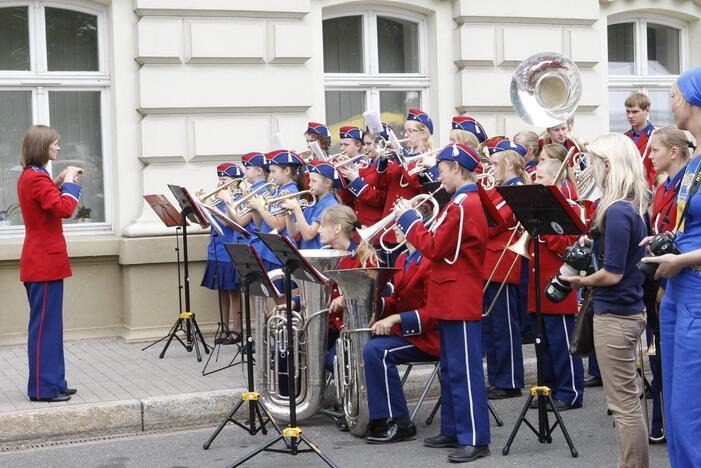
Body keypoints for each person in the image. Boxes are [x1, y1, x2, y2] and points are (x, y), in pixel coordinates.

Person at [394, 143, 490, 463]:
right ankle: (453, 428)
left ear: (455, 168)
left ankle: (474, 436)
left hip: (459, 297)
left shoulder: (464, 204)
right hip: (449, 296)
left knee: (464, 370)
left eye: (442, 168)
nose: (438, 174)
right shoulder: (457, 203)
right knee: (450, 370)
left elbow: (435, 248)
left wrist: (409, 220)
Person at [562, 133, 649, 468]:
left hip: (616, 314)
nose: (590, 169)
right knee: (628, 402)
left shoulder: (616, 211)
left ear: (609, 164)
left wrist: (578, 282)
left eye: (594, 162)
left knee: (623, 405)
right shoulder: (628, 206)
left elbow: (611, 274)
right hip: (625, 311)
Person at [640, 66, 701, 468]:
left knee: (689, 412)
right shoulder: (694, 164)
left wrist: (682, 259)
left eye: (676, 96)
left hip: (696, 289)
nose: (672, 104)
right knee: (675, 407)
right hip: (679, 291)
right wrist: (666, 247)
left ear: (695, 101)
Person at [18, 125, 82, 402]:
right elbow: (64, 209)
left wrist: (56, 182)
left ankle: (55, 382)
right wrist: (69, 182)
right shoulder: (36, 178)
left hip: (42, 260)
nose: (58, 148)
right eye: (54, 144)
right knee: (45, 328)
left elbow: (45, 201)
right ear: (43, 147)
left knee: (51, 326)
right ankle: (43, 389)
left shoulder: (34, 176)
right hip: (43, 261)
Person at [363, 225, 434, 444]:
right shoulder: (403, 257)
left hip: (429, 337)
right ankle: (375, 415)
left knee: (377, 351)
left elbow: (432, 313)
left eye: (400, 224)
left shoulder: (430, 260)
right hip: (408, 333)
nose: (394, 229)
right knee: (367, 344)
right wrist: (379, 310)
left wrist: (393, 319)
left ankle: (401, 422)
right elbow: (397, 300)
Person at [644, 126, 692, 442]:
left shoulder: (687, 185)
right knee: (658, 353)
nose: (650, 156)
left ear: (673, 152)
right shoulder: (665, 187)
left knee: (671, 358)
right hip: (660, 274)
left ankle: (664, 422)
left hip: (675, 277)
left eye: (655, 150)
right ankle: (662, 421)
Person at [528, 159, 584, 411]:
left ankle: (570, 392)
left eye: (539, 178)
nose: (534, 181)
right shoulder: (535, 207)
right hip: (537, 285)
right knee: (544, 346)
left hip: (558, 286)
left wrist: (545, 228)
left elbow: (569, 249)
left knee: (561, 345)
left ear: (555, 178)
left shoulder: (568, 207)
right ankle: (547, 389)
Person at [482, 144, 530, 400]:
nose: (490, 169)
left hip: (503, 262)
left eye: (494, 164)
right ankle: (498, 378)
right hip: (490, 262)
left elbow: (493, 223)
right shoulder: (498, 190)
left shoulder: (516, 190)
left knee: (504, 326)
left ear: (509, 165)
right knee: (491, 326)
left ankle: (510, 380)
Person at [375, 109, 432, 266]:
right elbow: (381, 185)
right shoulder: (402, 156)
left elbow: (416, 183)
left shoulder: (428, 158)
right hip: (390, 224)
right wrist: (383, 161)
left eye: (411, 131)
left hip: (409, 224)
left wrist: (400, 158)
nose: (406, 135)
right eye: (405, 130)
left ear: (423, 134)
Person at [200, 163, 246, 345]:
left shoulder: (237, 198)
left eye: (224, 179)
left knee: (233, 290)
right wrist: (203, 206)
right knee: (221, 289)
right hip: (215, 249)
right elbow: (204, 224)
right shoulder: (218, 198)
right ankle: (224, 326)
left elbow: (230, 223)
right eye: (219, 179)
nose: (220, 182)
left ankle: (237, 329)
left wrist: (214, 206)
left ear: (235, 182)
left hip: (229, 249)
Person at [247, 150, 305, 270]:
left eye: (273, 171)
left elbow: (278, 226)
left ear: (287, 171)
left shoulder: (290, 191)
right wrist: (254, 209)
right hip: (267, 250)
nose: (271, 176)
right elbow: (261, 225)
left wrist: (261, 208)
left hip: (278, 254)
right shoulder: (278, 190)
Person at [283, 162, 341, 249]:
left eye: (314, 181)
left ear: (327, 183)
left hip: (319, 257)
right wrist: (289, 213)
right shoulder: (313, 203)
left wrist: (296, 208)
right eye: (310, 180)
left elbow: (308, 235)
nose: (309, 184)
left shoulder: (330, 204)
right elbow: (293, 232)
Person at [623, 92, 656, 187]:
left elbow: (657, 171)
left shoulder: (657, 136)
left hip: (648, 193)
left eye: (635, 112)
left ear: (647, 110)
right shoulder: (624, 137)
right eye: (628, 111)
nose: (630, 116)